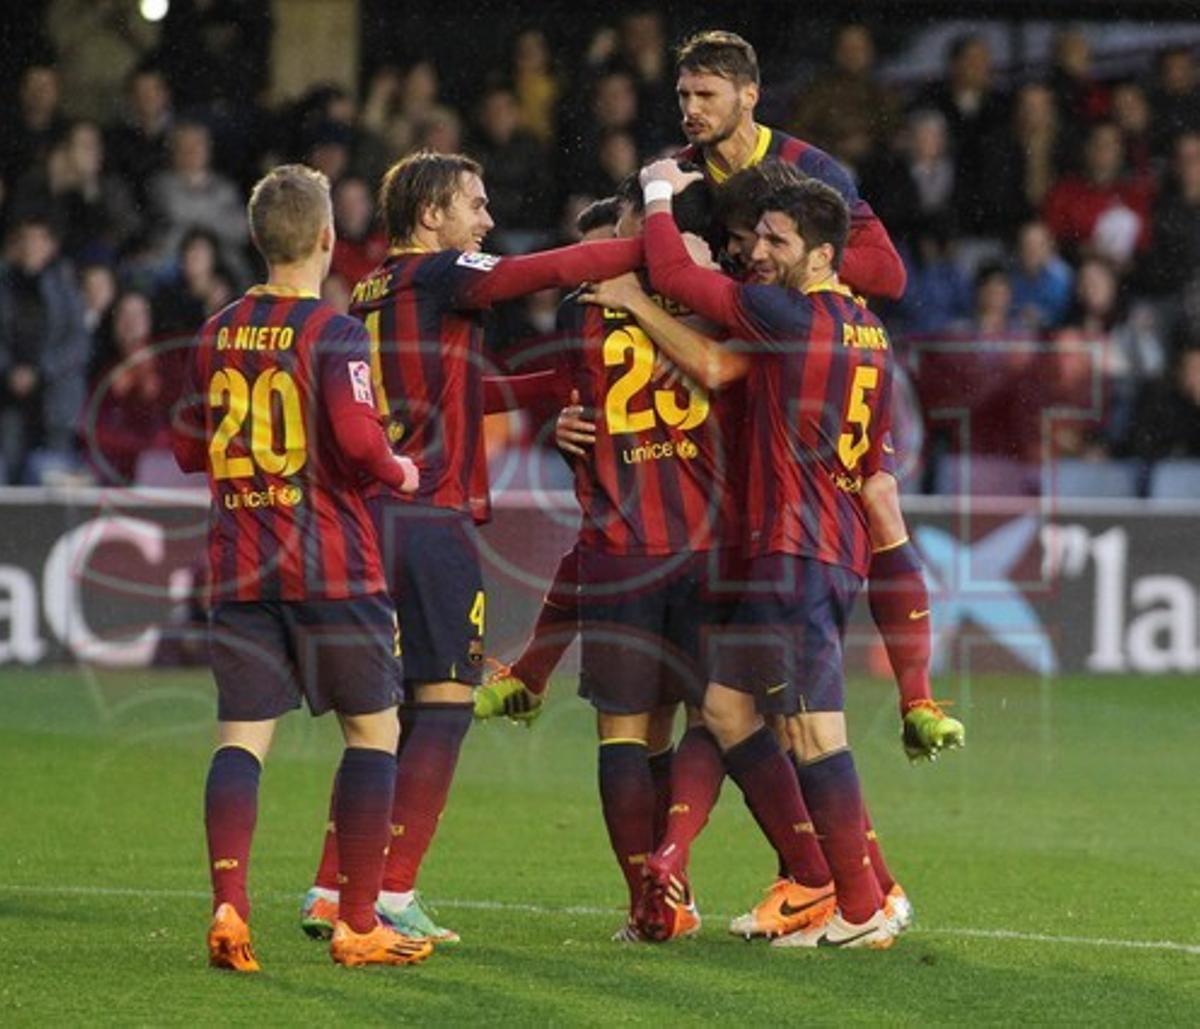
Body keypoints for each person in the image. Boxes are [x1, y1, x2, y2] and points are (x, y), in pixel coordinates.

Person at [299, 150, 646, 944]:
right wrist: (650, 246)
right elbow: (540, 271)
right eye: (475, 204)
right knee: (447, 703)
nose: (487, 220)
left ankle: (331, 886)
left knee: (385, 716)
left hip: (373, 514)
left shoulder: (376, 287)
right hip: (429, 514)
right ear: (432, 216)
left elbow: (460, 391)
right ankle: (392, 889)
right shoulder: (442, 272)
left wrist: (553, 387)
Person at [633, 159, 900, 949]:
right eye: (762, 238)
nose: (760, 253)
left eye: (778, 241)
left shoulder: (789, 315)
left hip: (798, 549)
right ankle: (827, 883)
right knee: (724, 706)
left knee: (815, 732)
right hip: (823, 545)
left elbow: (674, 273)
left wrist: (657, 193)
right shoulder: (871, 332)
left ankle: (864, 905)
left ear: (822, 255)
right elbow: (877, 459)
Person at [171, 164, 428, 972]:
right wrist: (398, 468)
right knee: (373, 732)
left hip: (242, 567)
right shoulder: (335, 332)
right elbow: (357, 439)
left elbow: (187, 447)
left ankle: (228, 902)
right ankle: (357, 922)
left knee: (242, 740)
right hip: (331, 565)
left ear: (257, 239)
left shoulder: (215, 333)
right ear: (325, 237)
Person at [670, 30, 906, 302]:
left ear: (749, 96)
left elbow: (889, 274)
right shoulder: (674, 176)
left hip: (801, 324)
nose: (691, 109)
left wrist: (795, 255)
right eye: (684, 95)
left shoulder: (810, 167)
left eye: (706, 95)